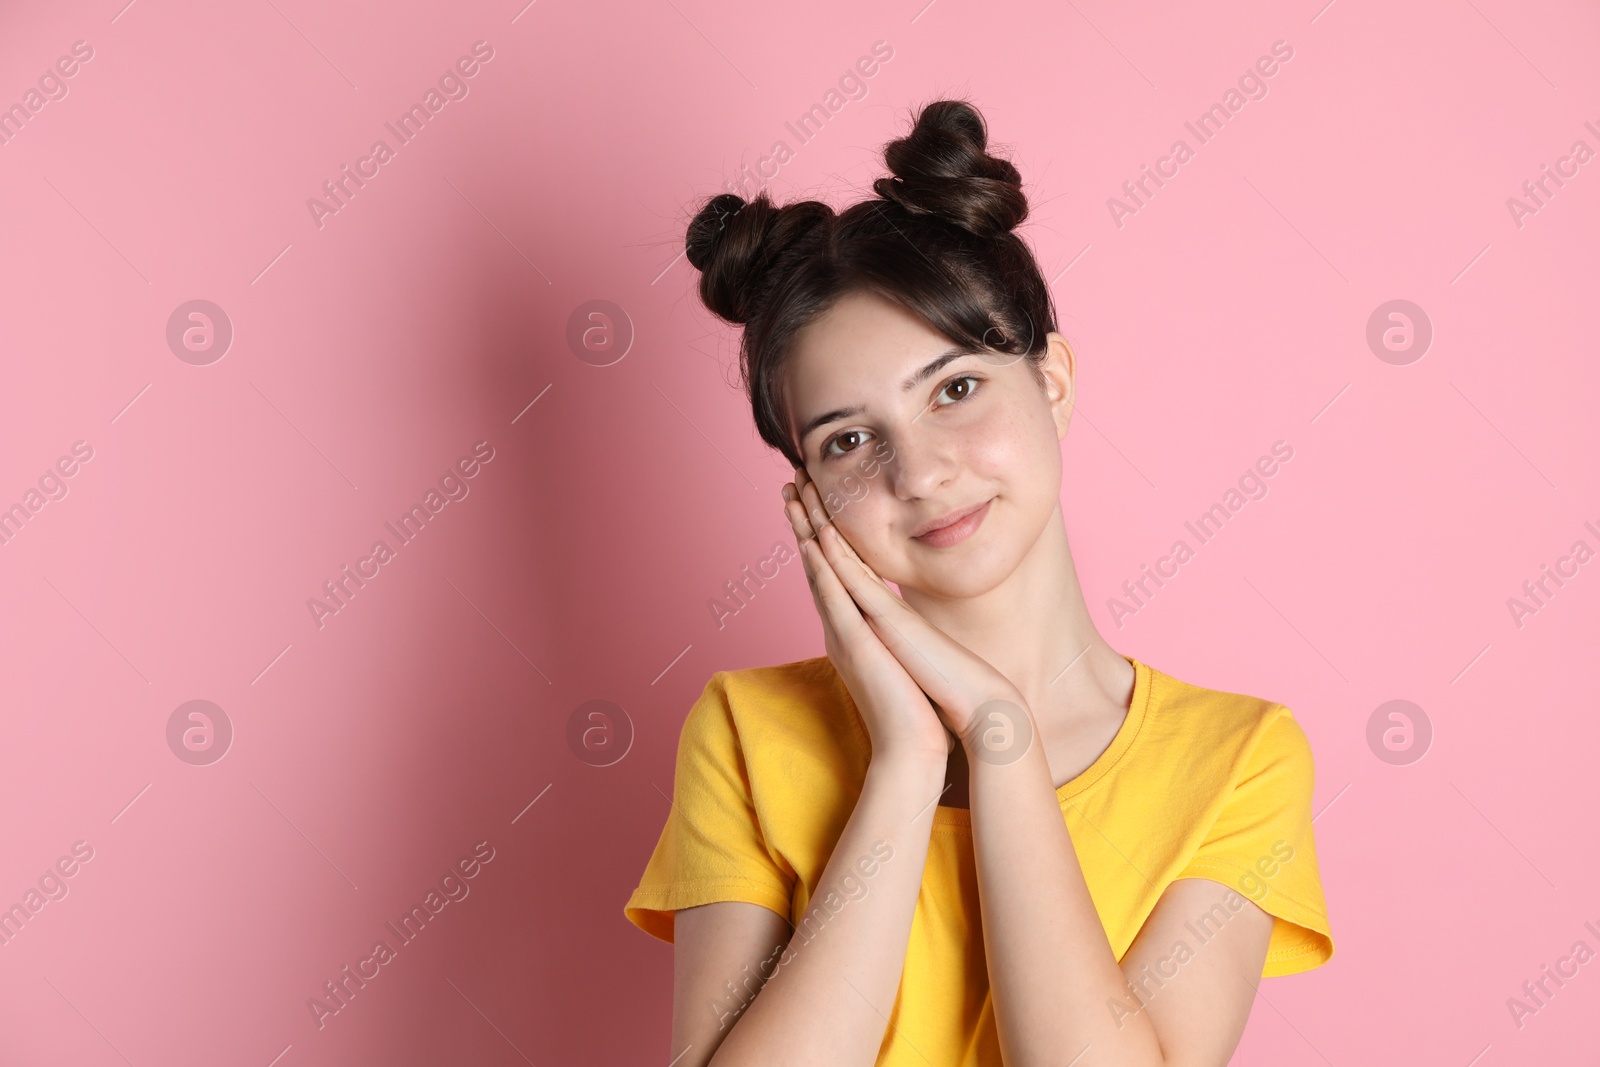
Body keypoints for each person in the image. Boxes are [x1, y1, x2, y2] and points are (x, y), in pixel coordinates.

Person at [623, 98, 1333, 1067]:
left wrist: (999, 740)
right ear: (810, 493)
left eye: (954, 389)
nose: (919, 473)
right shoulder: (745, 733)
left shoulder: (1238, 758)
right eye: (849, 440)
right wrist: (907, 758)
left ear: (1052, 383)